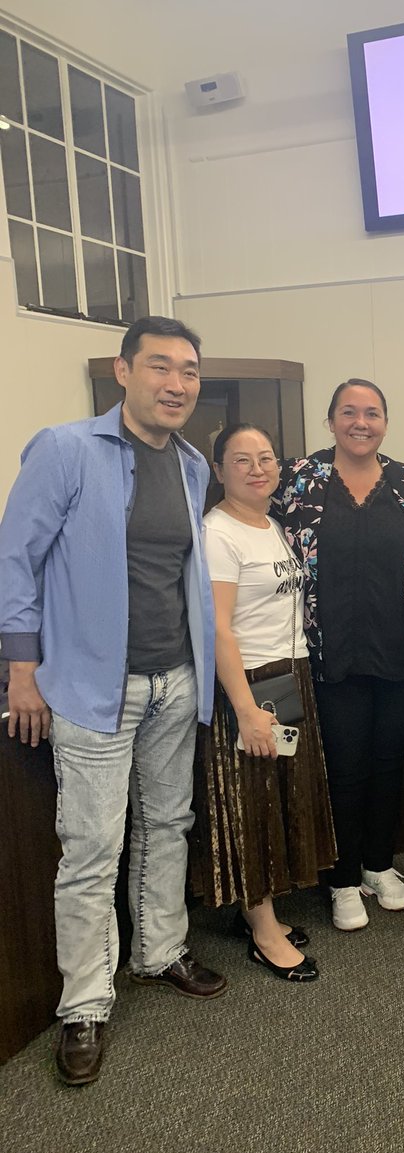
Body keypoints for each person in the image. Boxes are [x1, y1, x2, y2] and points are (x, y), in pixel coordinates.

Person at [0, 316, 224, 1087]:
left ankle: (158, 951)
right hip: (95, 685)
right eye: (160, 366)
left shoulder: (193, 465)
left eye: (189, 370)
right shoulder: (65, 449)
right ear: (123, 373)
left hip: (176, 680)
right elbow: (15, 560)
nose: (176, 383)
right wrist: (20, 669)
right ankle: (84, 1005)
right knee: (92, 846)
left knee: (169, 823)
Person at [276, 379, 404, 931]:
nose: (361, 422)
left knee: (389, 765)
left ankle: (379, 866)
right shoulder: (299, 480)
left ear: (386, 423)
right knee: (344, 768)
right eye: (349, 412)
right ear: (330, 421)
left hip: (402, 652)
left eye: (372, 413)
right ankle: (343, 879)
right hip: (330, 655)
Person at [193, 423, 335, 982]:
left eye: (267, 458)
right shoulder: (218, 533)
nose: (259, 468)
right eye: (243, 460)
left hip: (288, 677)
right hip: (248, 685)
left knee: (276, 794)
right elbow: (219, 631)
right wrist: (246, 709)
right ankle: (264, 930)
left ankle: (257, 908)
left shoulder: (271, 525)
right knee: (248, 802)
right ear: (220, 471)